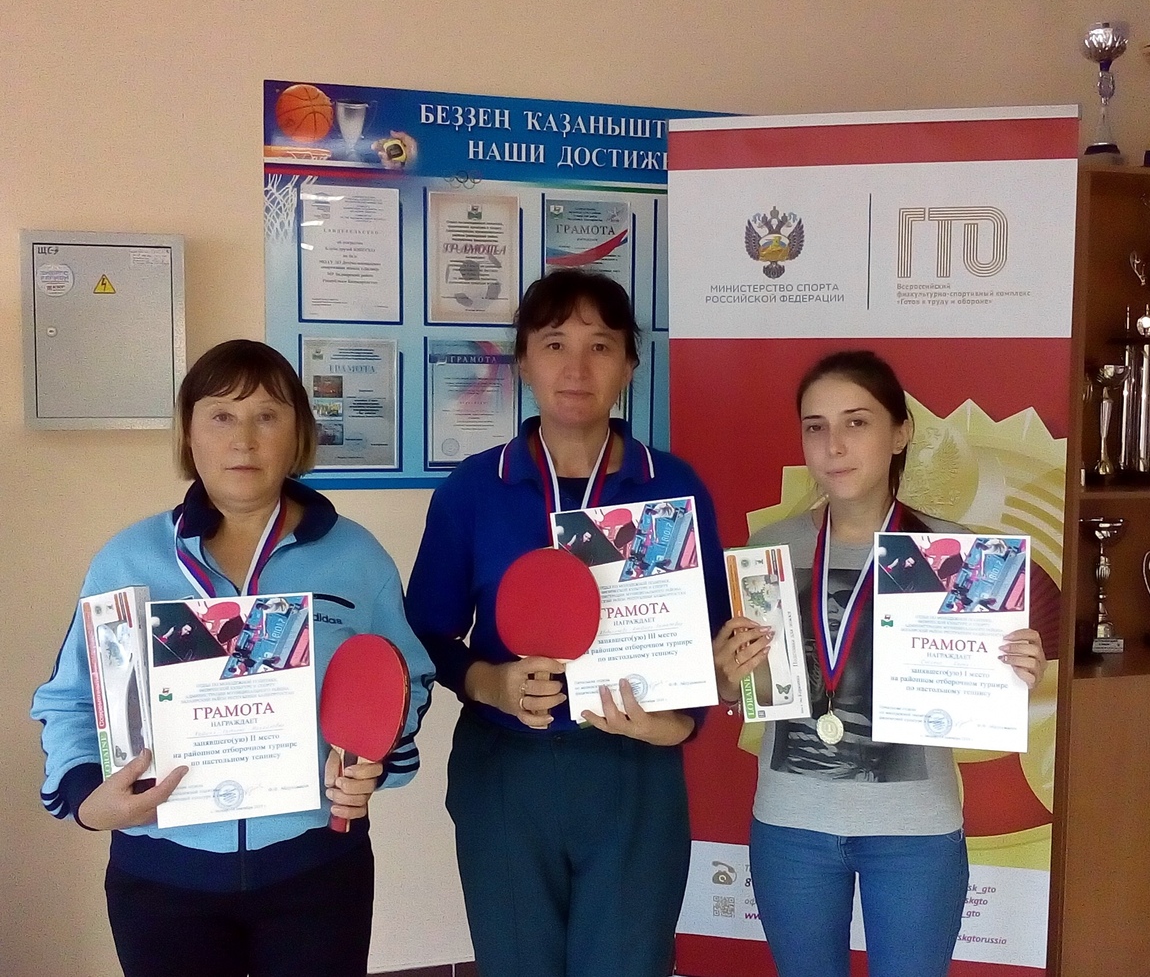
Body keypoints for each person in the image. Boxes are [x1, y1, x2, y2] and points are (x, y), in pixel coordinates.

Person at [31, 340, 434, 977]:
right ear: (188, 433)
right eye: (221, 415)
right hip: (161, 878)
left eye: (267, 415)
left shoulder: (356, 557)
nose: (243, 439)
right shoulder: (127, 559)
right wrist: (86, 798)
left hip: (317, 870)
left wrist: (372, 763)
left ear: (298, 433)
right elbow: (71, 699)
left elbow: (403, 678)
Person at [406, 269, 730, 977]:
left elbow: (713, 644)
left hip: (634, 772)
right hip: (506, 770)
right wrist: (488, 681)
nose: (576, 368)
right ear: (523, 361)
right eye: (554, 344)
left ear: (630, 365)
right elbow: (424, 635)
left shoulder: (673, 489)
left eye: (601, 346)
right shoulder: (473, 491)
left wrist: (681, 723)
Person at [712, 350, 1046, 977]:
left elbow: (982, 696)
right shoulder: (769, 549)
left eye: (856, 422)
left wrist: (1015, 671)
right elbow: (749, 690)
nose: (834, 445)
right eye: (816, 427)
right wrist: (727, 679)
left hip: (915, 834)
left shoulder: (959, 557)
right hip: (791, 827)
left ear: (900, 433)